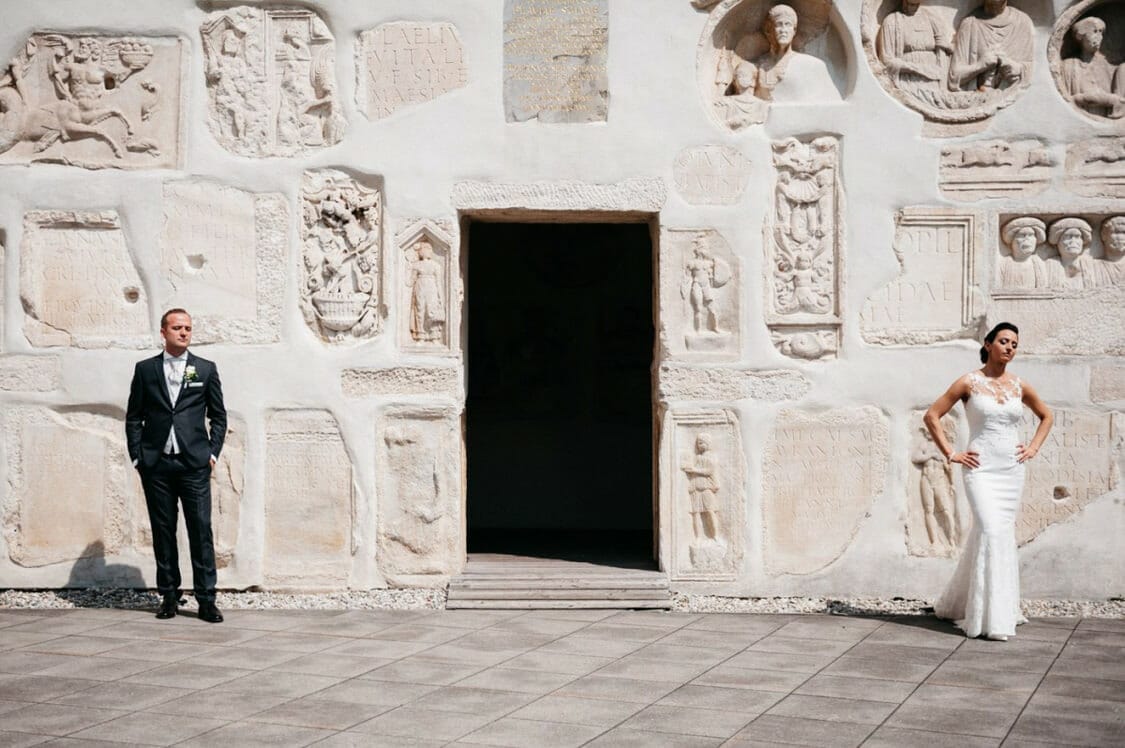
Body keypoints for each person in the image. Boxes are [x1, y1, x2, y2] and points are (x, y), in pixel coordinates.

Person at [923, 322, 1053, 640]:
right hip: (979, 468)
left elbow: (1046, 416)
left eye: (1014, 344)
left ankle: (996, 610)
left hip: (1010, 469)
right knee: (991, 528)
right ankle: (986, 617)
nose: (1010, 347)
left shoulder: (1019, 386)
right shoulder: (969, 381)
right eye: (1004, 341)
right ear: (988, 343)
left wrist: (1033, 447)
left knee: (997, 533)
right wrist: (951, 453)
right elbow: (931, 415)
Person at [126, 309, 227, 622]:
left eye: (188, 328)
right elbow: (133, 417)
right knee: (163, 531)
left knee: (200, 531)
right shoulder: (145, 370)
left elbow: (218, 416)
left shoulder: (204, 369)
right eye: (177, 328)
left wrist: (212, 453)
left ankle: (207, 599)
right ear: (163, 331)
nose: (183, 333)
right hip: (156, 465)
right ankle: (168, 596)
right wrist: (137, 456)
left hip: (194, 463)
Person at [948, 0, 1034, 93]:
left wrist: (1016, 68)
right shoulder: (970, 24)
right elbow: (954, 76)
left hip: (1011, 95)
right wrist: (980, 65)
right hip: (976, 98)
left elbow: (1031, 69)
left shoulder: (1022, 22)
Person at [1059, 16, 1124, 119]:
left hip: (1103, 118)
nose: (1099, 36)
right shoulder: (1068, 65)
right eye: (1094, 31)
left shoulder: (1107, 66)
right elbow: (1066, 99)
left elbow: (1119, 100)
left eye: (1101, 32)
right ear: (1081, 36)